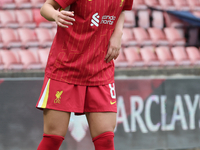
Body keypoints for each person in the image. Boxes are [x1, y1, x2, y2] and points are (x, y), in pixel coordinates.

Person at [36, 0, 133, 149]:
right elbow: (46, 8)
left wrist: (118, 32)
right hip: (65, 69)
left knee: (106, 140)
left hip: (100, 70)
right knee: (53, 138)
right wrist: (55, 15)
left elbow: (122, 9)